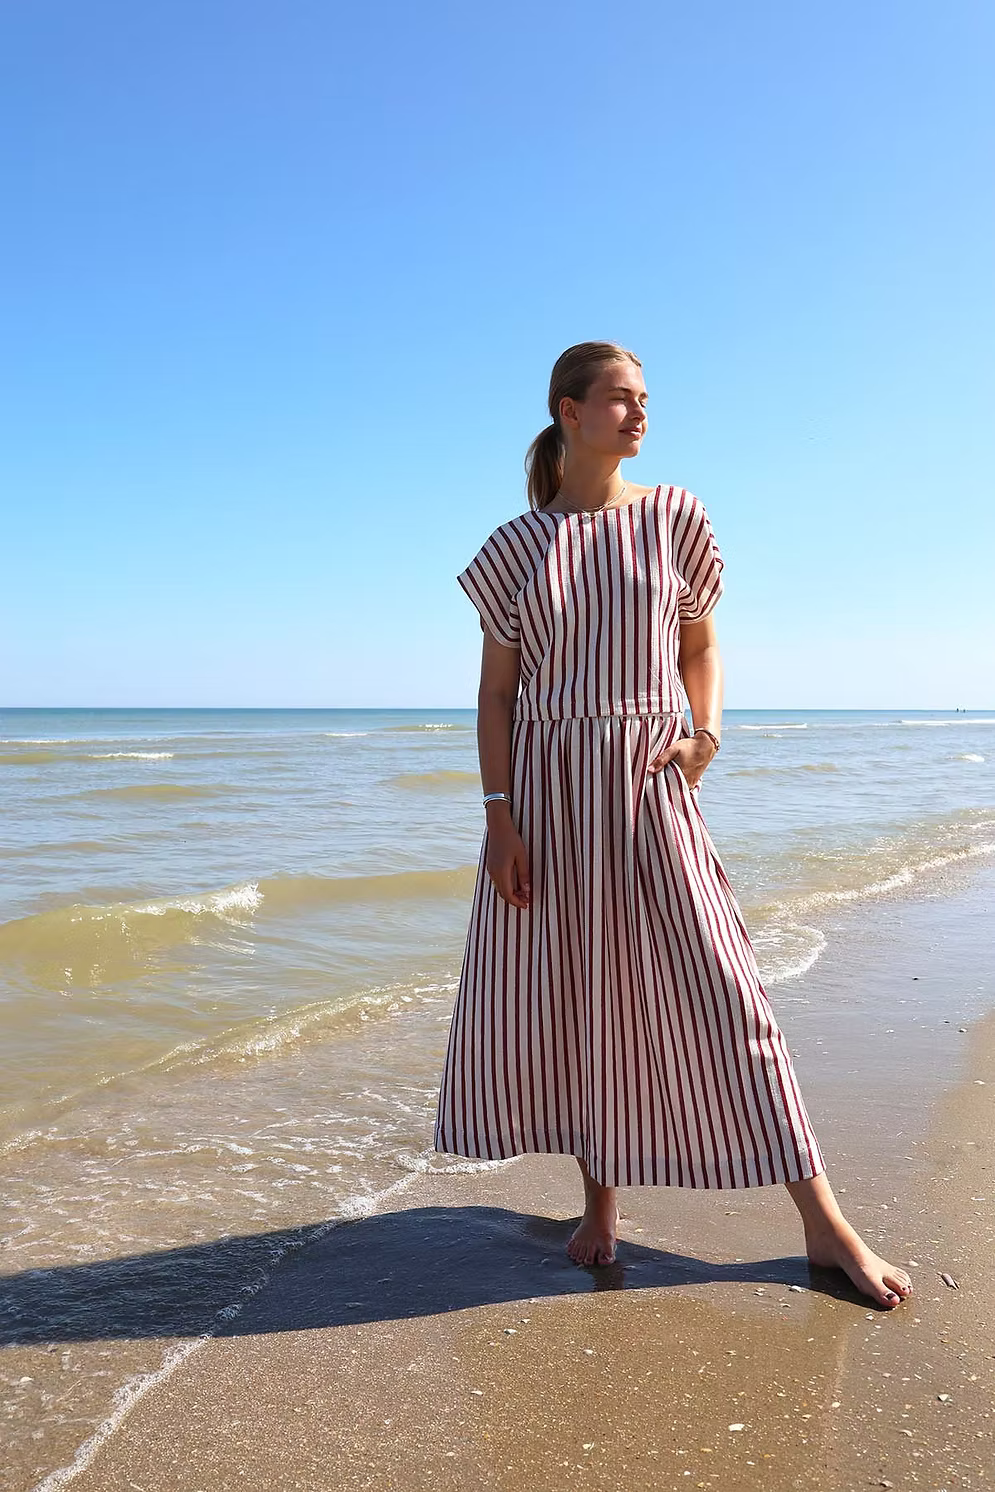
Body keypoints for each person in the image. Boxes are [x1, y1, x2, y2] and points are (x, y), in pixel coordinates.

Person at [434, 341, 913, 1310]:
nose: (639, 413)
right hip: (548, 796)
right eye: (619, 398)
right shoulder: (513, 550)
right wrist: (498, 816)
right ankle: (598, 1209)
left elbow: (700, 646)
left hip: (649, 787)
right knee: (579, 999)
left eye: (644, 399)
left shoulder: (672, 515)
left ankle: (822, 1224)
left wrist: (705, 737)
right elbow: (494, 695)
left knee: (727, 993)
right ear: (569, 413)